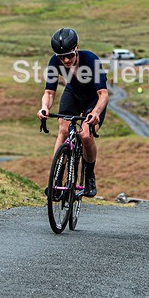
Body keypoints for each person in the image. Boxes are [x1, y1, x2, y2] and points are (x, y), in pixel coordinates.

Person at [37, 28, 109, 197]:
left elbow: (103, 94)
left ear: (77, 48)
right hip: (73, 94)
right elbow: (49, 92)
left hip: (94, 99)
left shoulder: (91, 60)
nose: (66, 60)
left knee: (85, 135)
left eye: (70, 55)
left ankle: (89, 175)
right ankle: (56, 178)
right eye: (62, 57)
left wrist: (96, 112)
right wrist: (45, 108)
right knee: (63, 130)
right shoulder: (55, 62)